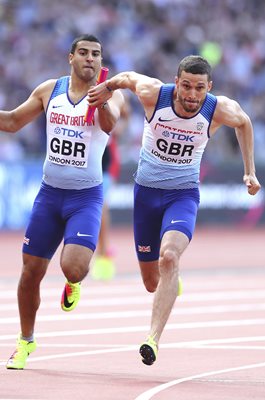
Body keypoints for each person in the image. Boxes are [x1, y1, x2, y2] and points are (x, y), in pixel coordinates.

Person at [87, 55, 261, 366]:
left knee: (169, 256)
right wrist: (107, 86)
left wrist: (249, 170)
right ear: (176, 82)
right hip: (146, 196)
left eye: (199, 88)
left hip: (182, 195)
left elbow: (244, 122)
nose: (192, 95)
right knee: (152, 282)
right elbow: (127, 77)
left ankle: (152, 338)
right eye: (186, 86)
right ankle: (171, 280)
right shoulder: (155, 94)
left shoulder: (217, 108)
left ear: (209, 87)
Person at [1, 34, 124, 369]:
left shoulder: (105, 96)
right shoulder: (49, 90)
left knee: (74, 267)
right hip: (50, 195)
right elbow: (12, 122)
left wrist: (101, 101)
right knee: (29, 274)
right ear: (71, 57)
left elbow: (111, 125)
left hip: (85, 198)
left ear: (101, 61)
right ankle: (25, 342)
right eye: (83, 53)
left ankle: (73, 284)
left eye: (96, 54)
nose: (90, 59)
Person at [91, 101, 130, 281]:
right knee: (94, 206)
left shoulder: (112, 98)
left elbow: (125, 111)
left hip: (106, 163)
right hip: (87, 159)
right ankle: (99, 249)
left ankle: (103, 252)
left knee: (101, 205)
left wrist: (120, 124)